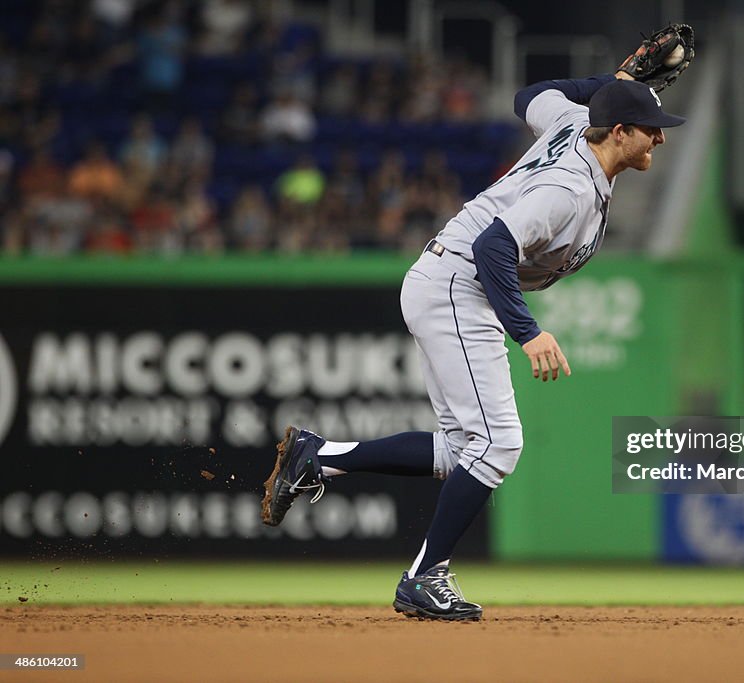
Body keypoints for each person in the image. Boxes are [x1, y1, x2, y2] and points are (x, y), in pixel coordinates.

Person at [261, 72, 684, 620]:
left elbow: (528, 97)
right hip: (460, 283)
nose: (662, 138)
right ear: (621, 131)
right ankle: (423, 577)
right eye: (652, 128)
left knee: (465, 451)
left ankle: (318, 457)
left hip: (446, 280)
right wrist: (528, 333)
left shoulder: (572, 120)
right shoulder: (569, 190)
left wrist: (607, 83)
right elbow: (493, 246)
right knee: (500, 444)